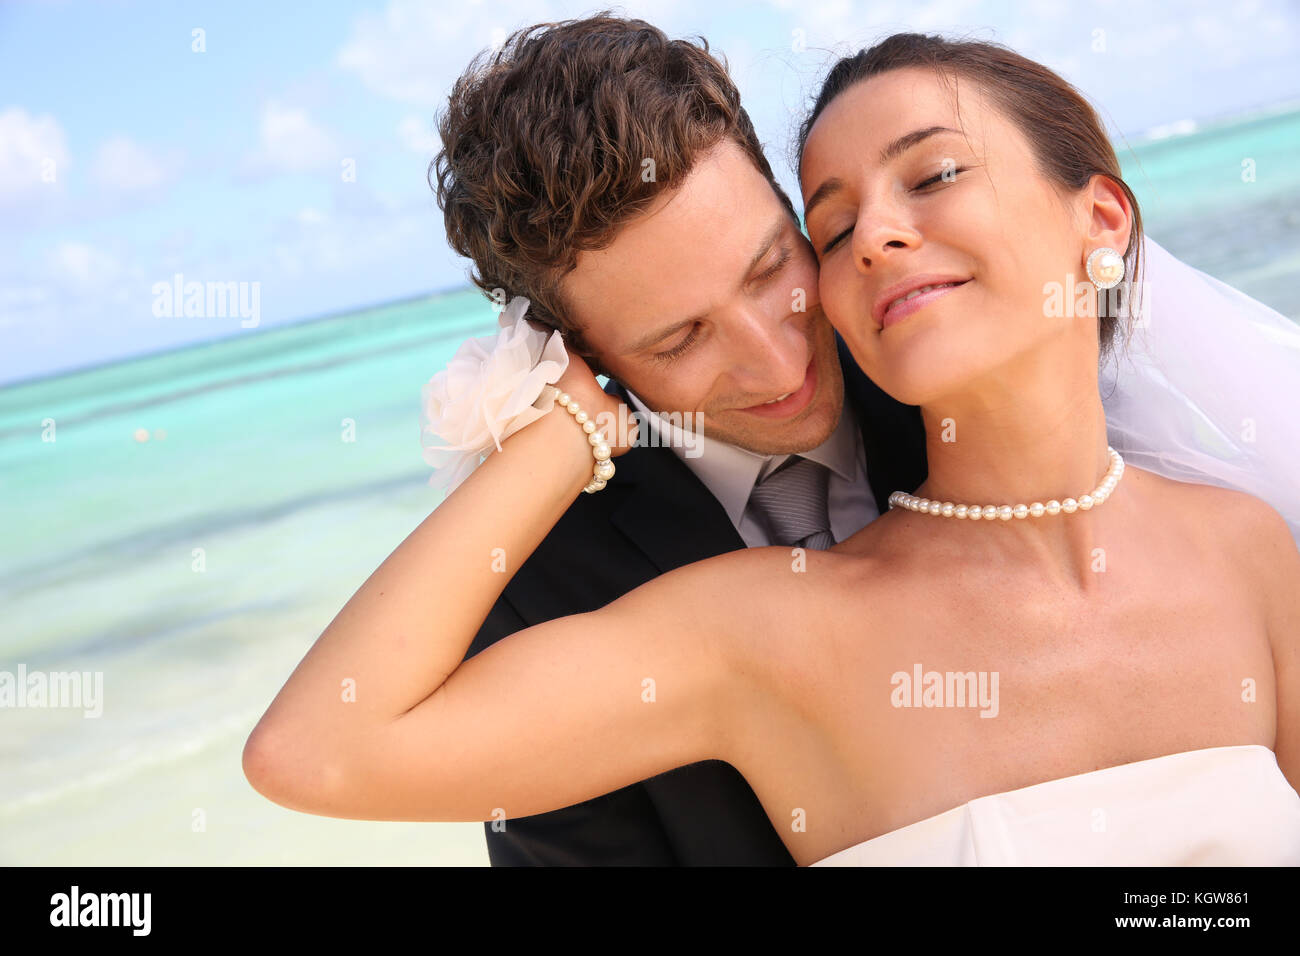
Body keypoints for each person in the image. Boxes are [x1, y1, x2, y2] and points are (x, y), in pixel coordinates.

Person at [242, 29, 1300, 865]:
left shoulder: (1246, 549)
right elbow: (316, 750)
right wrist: (556, 434)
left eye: (776, 263)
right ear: (590, 353)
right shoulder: (703, 617)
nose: (771, 353)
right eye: (677, 337)